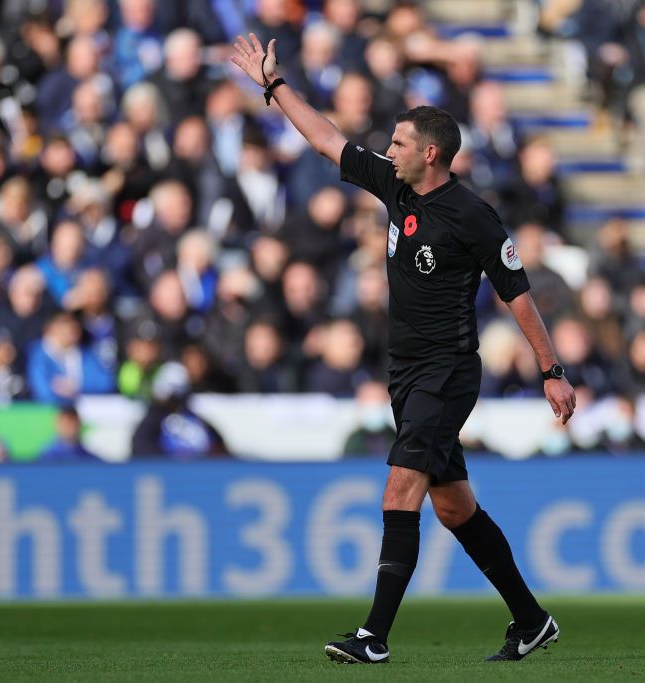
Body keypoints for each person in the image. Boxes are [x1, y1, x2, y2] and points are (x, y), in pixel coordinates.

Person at [231, 33, 576, 664]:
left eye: (398, 143)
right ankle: (531, 620)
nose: (387, 151)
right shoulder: (397, 187)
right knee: (454, 508)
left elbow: (517, 294)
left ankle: (374, 635)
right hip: (406, 371)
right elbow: (326, 138)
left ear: (432, 153)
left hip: (447, 372)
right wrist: (273, 87)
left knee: (399, 489)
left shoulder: (472, 216)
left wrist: (551, 370)